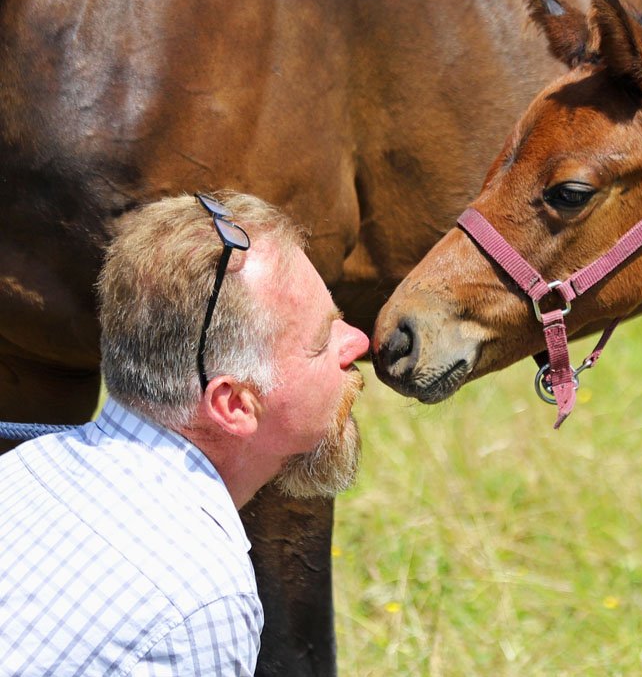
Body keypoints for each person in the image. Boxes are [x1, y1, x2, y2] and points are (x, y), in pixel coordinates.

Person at [0, 192, 371, 676]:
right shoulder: (200, 603)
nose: (359, 341)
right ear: (234, 405)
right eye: (322, 341)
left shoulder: (22, 470)